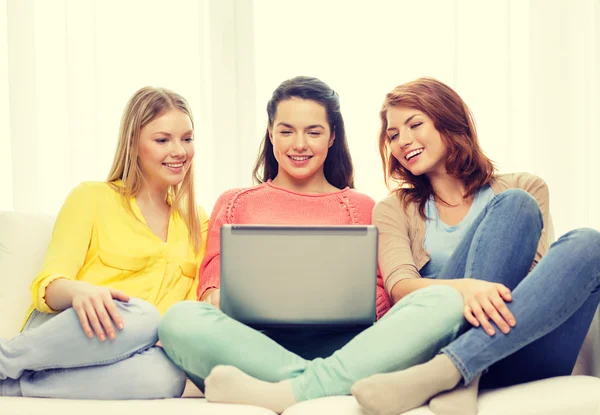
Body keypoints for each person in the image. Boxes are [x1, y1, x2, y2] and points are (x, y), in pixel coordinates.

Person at [158, 76, 467, 413]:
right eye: (287, 131)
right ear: (271, 133)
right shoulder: (235, 202)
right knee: (179, 319)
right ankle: (325, 383)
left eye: (314, 132)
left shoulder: (363, 207)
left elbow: (381, 303)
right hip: (253, 345)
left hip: (348, 345)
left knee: (443, 299)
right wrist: (258, 298)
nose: (299, 144)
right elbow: (211, 292)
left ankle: (289, 388)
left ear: (333, 136)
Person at [350, 77, 600, 415]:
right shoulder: (394, 208)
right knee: (517, 205)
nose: (402, 141)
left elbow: (535, 287)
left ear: (448, 120)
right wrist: (465, 288)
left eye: (414, 124)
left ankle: (452, 372)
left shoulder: (525, 186)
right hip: (440, 338)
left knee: (587, 241)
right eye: (393, 135)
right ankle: (461, 366)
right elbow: (401, 291)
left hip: (518, 343)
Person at [0, 86, 209, 399]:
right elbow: (49, 286)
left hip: (133, 352)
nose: (179, 151)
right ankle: (6, 361)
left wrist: (180, 333)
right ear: (133, 144)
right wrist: (80, 291)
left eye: (187, 139)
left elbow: (193, 308)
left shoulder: (197, 221)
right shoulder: (91, 197)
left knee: (167, 377)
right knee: (144, 315)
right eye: (163, 139)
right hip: (68, 332)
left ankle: (14, 387)